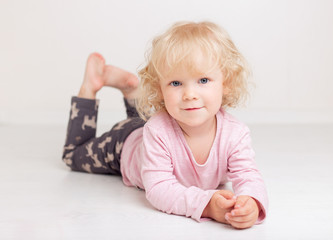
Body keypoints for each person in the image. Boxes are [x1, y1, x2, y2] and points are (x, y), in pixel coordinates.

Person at [62, 21, 268, 229]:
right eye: (176, 83)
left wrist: (250, 201)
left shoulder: (235, 134)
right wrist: (207, 206)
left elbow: (248, 175)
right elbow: (159, 189)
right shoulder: (157, 130)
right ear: (160, 89)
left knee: (146, 120)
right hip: (122, 145)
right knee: (73, 156)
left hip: (151, 126)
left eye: (203, 80)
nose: (189, 95)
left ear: (226, 84)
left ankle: (131, 91)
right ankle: (90, 86)